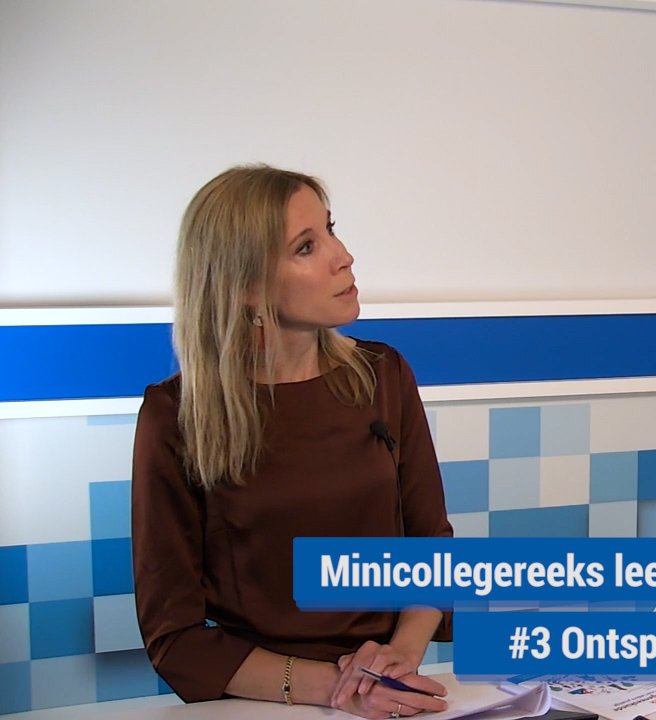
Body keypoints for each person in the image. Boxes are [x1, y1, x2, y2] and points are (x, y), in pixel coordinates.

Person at [131, 165, 452, 719]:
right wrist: (338, 687)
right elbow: (174, 637)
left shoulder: (384, 375)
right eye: (306, 247)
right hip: (261, 701)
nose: (343, 256)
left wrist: (397, 660)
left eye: (331, 230)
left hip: (386, 692)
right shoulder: (175, 416)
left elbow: (431, 552)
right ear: (246, 286)